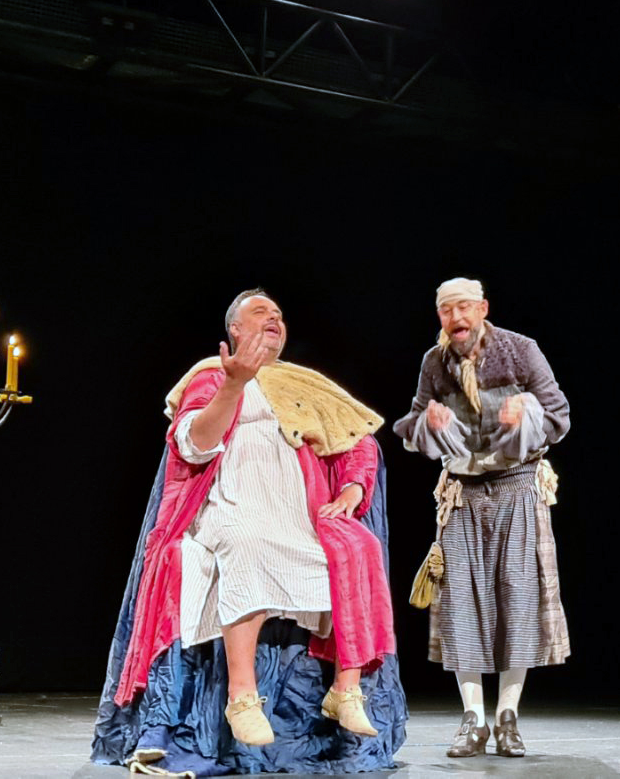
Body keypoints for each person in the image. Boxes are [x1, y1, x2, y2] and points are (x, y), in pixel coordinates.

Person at [95, 289, 401, 774]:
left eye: (278, 314)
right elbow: (193, 444)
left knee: (358, 544)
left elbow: (357, 440)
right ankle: (242, 696)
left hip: (296, 512)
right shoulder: (211, 376)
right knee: (246, 542)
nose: (274, 318)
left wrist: (353, 488)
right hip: (231, 501)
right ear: (234, 330)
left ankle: (346, 689)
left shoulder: (303, 384)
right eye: (260, 312)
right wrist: (233, 385)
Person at [393, 277, 570, 758]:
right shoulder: (435, 362)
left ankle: (508, 717)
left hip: (516, 484)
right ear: (440, 316)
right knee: (460, 604)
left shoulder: (520, 350)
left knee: (519, 598)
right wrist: (427, 422)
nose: (457, 318)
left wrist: (526, 414)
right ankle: (473, 719)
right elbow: (409, 425)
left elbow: (559, 415)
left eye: (465, 308)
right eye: (447, 310)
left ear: (483, 309)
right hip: (463, 492)